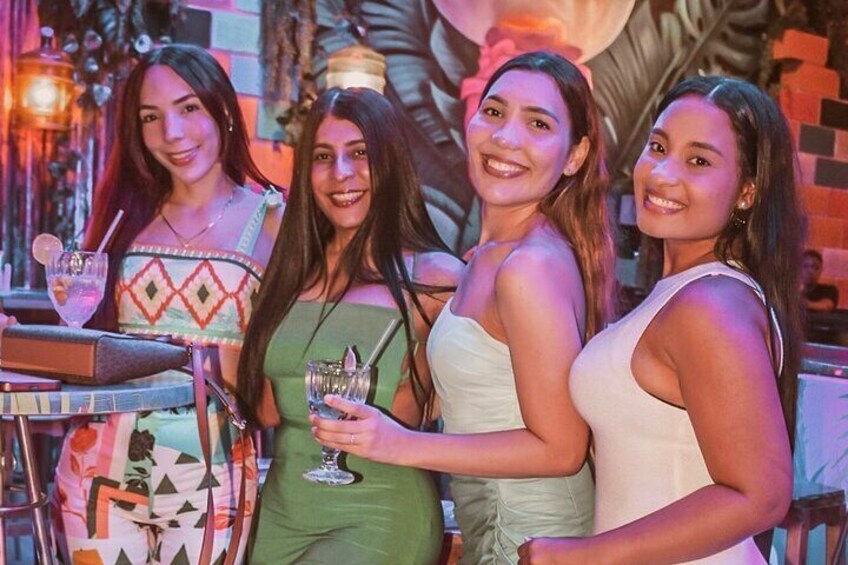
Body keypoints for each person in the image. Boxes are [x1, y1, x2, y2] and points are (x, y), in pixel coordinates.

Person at [311, 51, 615, 564]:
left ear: (574, 155)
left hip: (532, 536)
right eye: (494, 112)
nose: (506, 137)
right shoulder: (484, 258)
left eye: (538, 124)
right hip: (493, 528)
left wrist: (400, 444)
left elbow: (561, 449)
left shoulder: (529, 267)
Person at [517, 76, 803, 564]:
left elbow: (762, 496)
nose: (663, 173)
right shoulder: (686, 293)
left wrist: (585, 555)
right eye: (658, 147)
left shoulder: (710, 305)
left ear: (747, 191)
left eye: (699, 161)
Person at [51, 44, 284, 564]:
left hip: (214, 474)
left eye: (188, 108)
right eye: (150, 117)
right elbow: (86, 339)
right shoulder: (122, 217)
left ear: (224, 111)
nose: (172, 133)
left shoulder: (273, 220)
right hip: (98, 469)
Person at [236, 87, 464, 564]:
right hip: (279, 512)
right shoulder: (289, 276)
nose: (341, 173)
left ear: (391, 162)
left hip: (380, 513)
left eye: (360, 153)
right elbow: (266, 411)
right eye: (323, 156)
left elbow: (486, 405)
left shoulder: (434, 279)